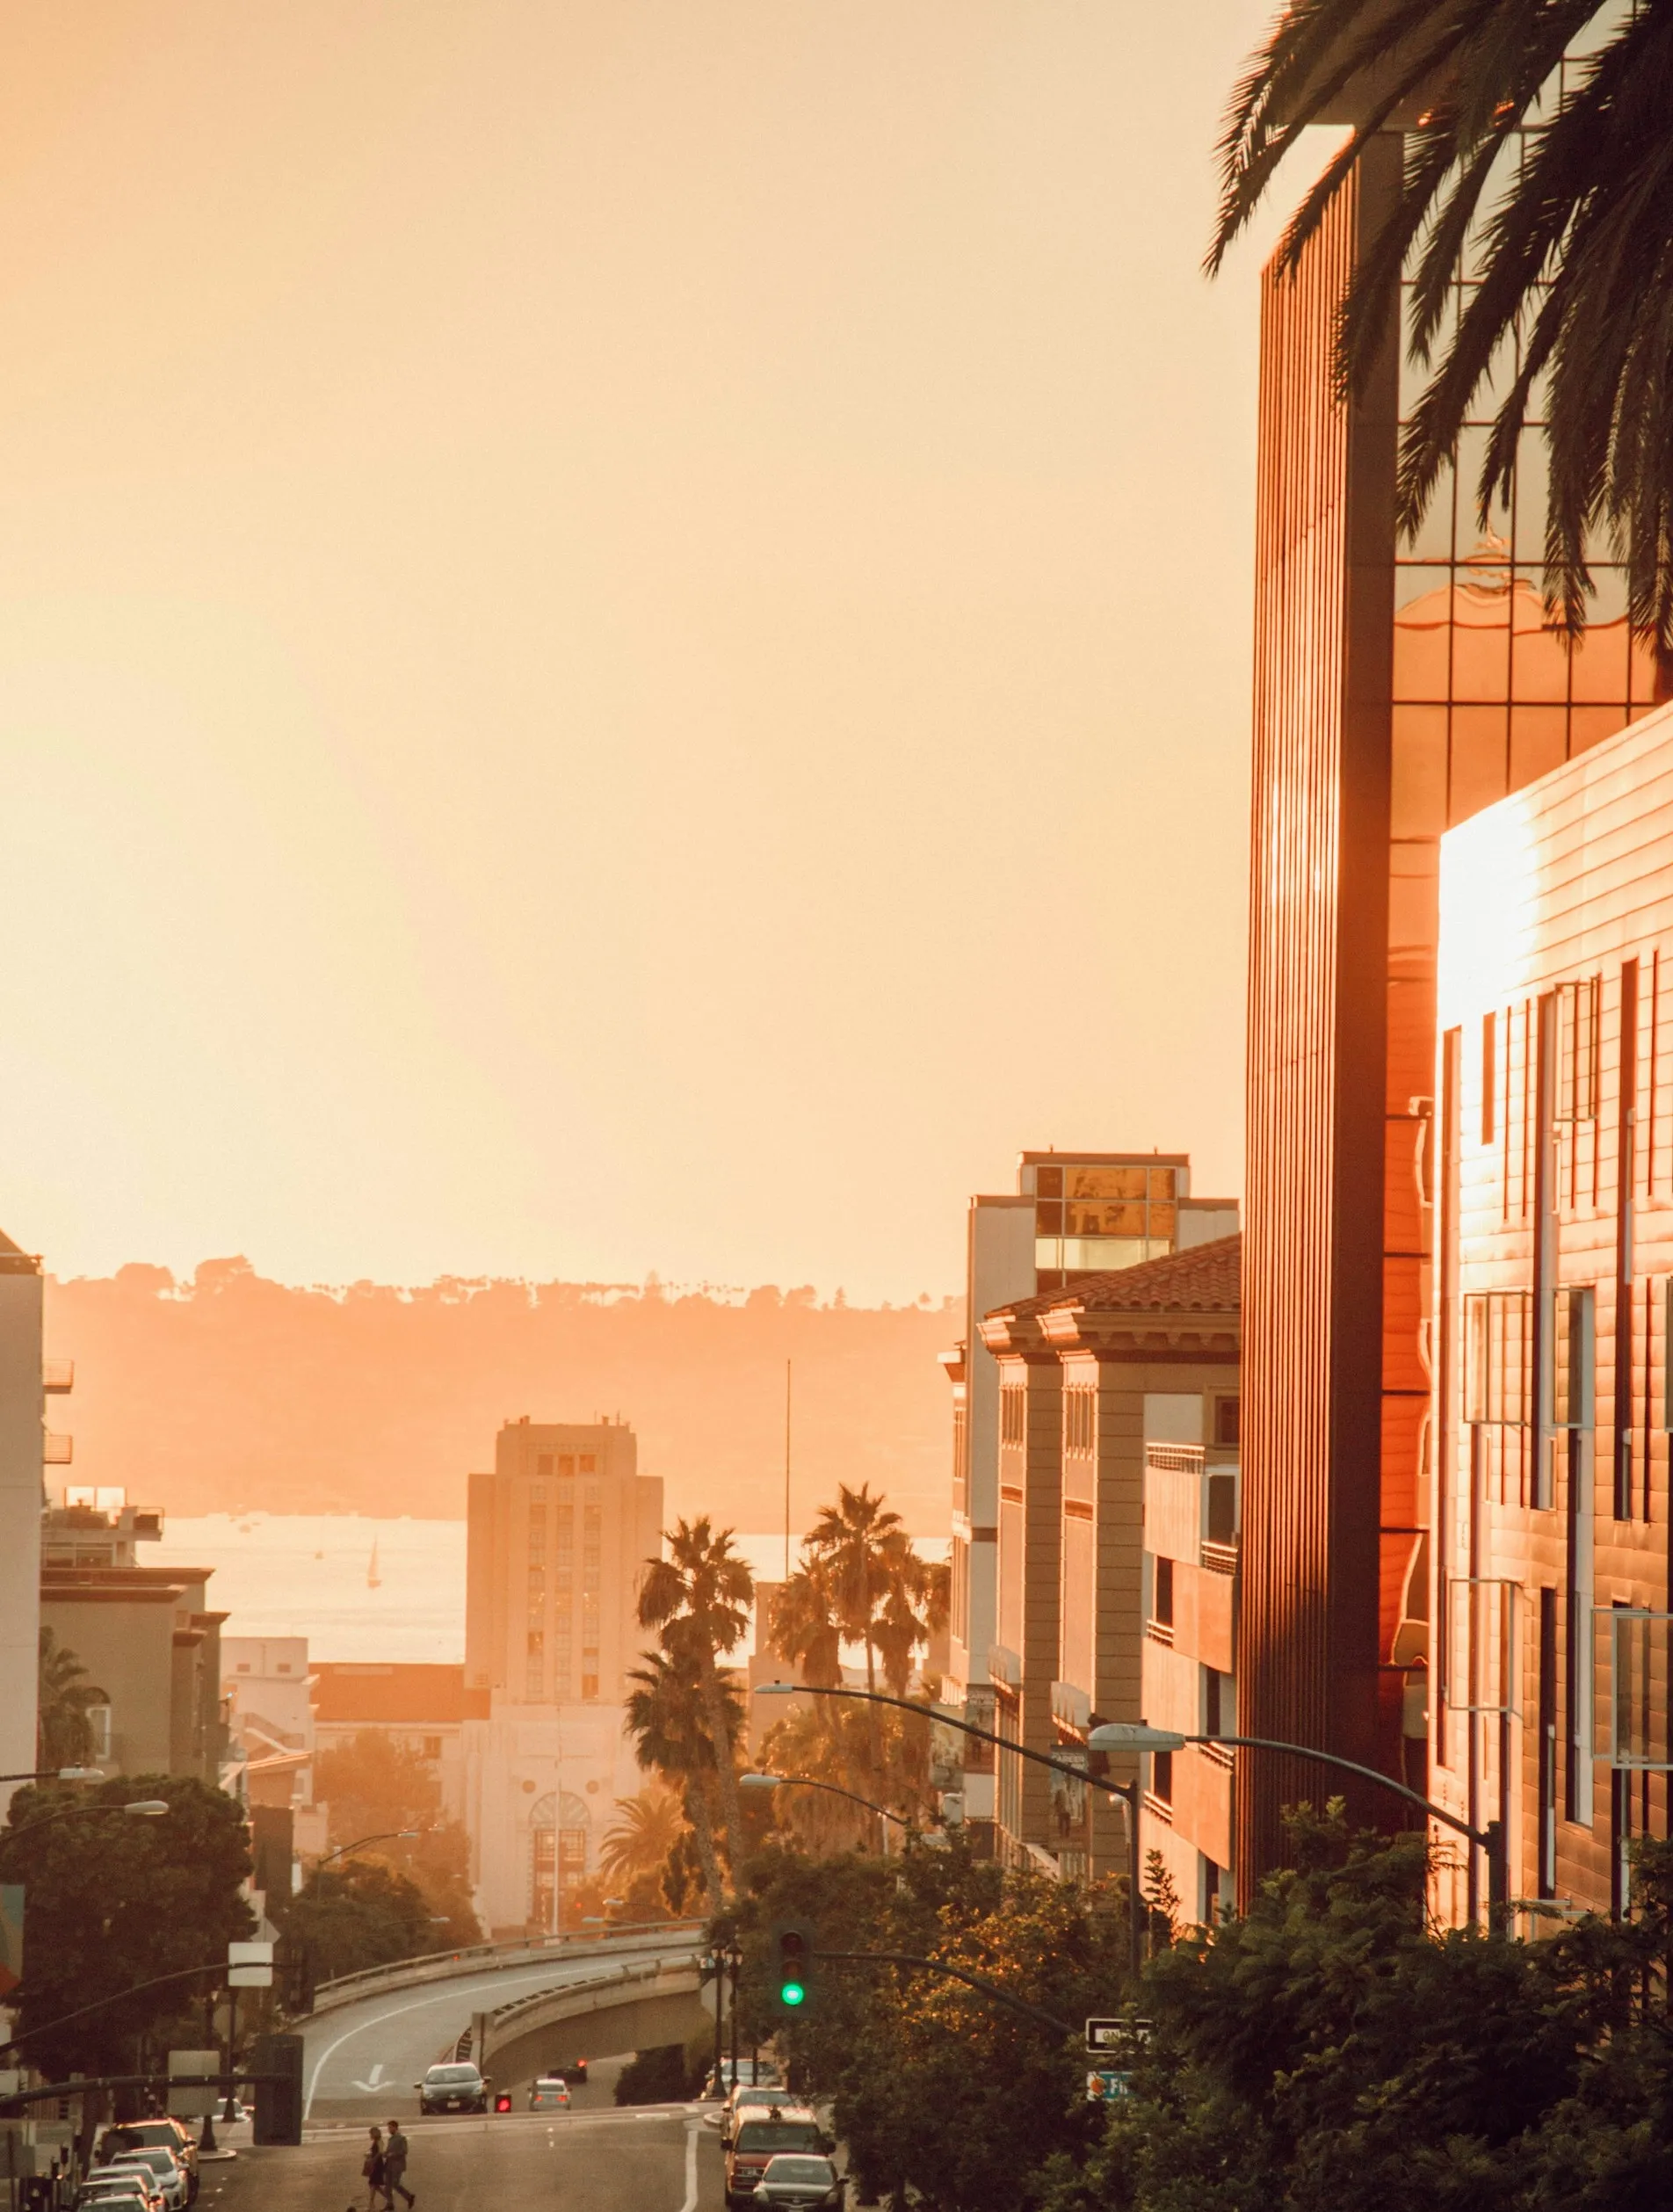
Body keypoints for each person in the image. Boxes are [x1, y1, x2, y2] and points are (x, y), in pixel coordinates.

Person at [382, 2118, 415, 2208]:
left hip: (397, 2165)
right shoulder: (391, 2139)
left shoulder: (401, 2138)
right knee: (387, 2185)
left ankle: (409, 2197)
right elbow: (388, 2151)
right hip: (389, 2165)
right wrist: (383, 2154)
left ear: (395, 2128)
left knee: (395, 2184)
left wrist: (393, 2154)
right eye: (388, 2128)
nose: (388, 2130)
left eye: (390, 2128)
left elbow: (404, 2151)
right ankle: (390, 2204)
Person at [361, 2123, 387, 2210]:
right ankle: (387, 2199)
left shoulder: (379, 2141)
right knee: (375, 2185)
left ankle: (371, 2205)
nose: (370, 2135)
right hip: (376, 2164)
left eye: (371, 2134)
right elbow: (378, 2152)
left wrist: (373, 2159)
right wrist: (370, 2156)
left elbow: (380, 2152)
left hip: (377, 2165)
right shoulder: (376, 2141)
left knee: (373, 2184)